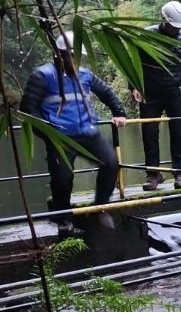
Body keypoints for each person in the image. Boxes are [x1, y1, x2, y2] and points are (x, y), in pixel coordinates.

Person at [20, 31, 127, 234]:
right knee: (63, 178)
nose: (76, 61)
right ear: (59, 55)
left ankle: (100, 208)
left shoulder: (85, 75)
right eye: (72, 56)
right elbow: (29, 110)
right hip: (61, 138)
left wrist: (119, 112)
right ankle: (63, 218)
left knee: (111, 163)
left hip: (88, 132)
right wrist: (49, 133)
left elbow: (106, 92)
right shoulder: (43, 76)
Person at [131, 0, 181, 190]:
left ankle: (180, 174)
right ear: (164, 20)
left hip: (176, 93)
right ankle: (153, 175)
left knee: (179, 133)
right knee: (149, 133)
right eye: (172, 25)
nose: (174, 29)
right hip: (150, 94)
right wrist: (134, 87)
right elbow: (134, 63)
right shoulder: (147, 36)